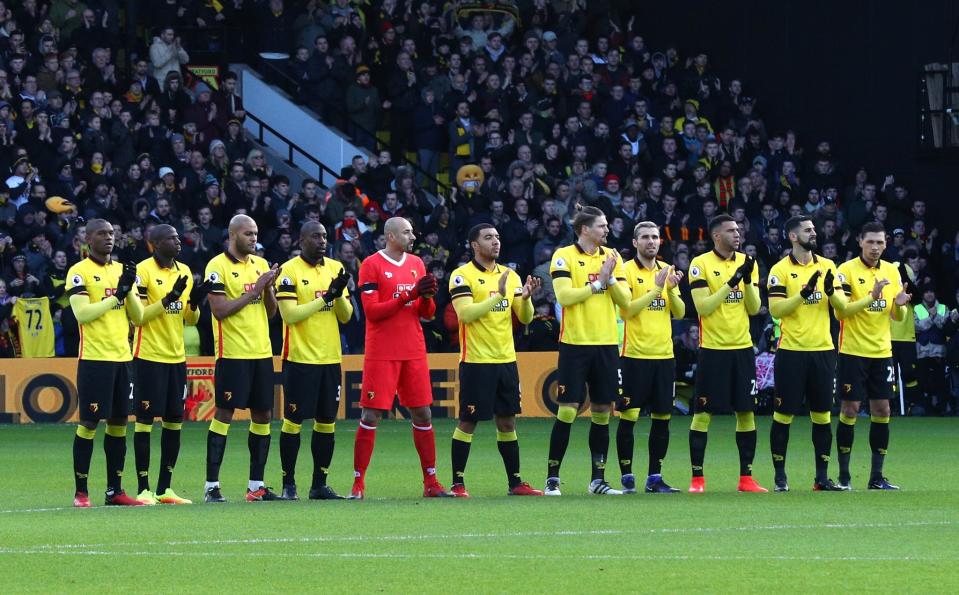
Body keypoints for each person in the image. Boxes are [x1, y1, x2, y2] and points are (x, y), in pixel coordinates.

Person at [350, 217, 450, 499]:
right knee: (371, 414)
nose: (413, 235)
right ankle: (358, 483)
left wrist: (428, 296)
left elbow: (427, 313)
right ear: (391, 236)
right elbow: (373, 312)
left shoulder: (417, 263)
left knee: (423, 412)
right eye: (407, 231)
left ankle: (431, 482)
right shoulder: (372, 264)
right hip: (382, 351)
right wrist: (411, 294)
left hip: (413, 349)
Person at [447, 224, 544, 497]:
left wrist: (524, 299)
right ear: (474, 245)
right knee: (469, 421)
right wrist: (499, 297)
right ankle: (457, 483)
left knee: (507, 422)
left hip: (506, 360)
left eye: (498, 237)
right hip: (477, 361)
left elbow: (525, 317)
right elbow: (465, 315)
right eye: (488, 238)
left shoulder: (509, 275)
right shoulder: (461, 276)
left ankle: (515, 483)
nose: (496, 242)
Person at [545, 205, 631, 496]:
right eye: (602, 226)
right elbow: (564, 297)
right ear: (584, 230)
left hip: (606, 344)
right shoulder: (563, 256)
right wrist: (598, 284)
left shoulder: (612, 257)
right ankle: (553, 479)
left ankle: (598, 480)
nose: (607, 230)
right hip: (575, 344)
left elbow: (626, 301)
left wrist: (610, 278)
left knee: (603, 410)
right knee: (568, 410)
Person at [203, 215, 280, 503]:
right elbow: (220, 310)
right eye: (248, 233)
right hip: (232, 353)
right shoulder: (217, 266)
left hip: (261, 352)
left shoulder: (260, 265)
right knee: (224, 413)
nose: (254, 238)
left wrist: (269, 289)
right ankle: (212, 486)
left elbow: (271, 313)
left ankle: (255, 487)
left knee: (263, 415)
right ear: (233, 234)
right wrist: (257, 289)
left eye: (256, 233)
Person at [68, 219, 145, 507]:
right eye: (102, 234)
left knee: (119, 422)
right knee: (89, 422)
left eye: (112, 233)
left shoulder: (122, 271)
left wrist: (129, 290)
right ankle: (81, 492)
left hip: (123, 359)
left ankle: (115, 491)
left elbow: (137, 318)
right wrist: (118, 298)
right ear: (88, 239)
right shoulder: (79, 272)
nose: (109, 238)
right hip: (94, 360)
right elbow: (83, 315)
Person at [766, 216, 847, 492]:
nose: (814, 233)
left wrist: (830, 293)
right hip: (791, 353)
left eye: (814, 229)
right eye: (807, 230)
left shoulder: (827, 266)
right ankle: (780, 477)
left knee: (823, 415)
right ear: (792, 236)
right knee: (783, 415)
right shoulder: (780, 269)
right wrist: (803, 294)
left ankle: (822, 478)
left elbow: (843, 309)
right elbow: (776, 311)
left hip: (823, 351)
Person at [686, 214, 766, 493]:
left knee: (746, 413)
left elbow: (754, 308)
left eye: (738, 230)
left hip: (742, 349)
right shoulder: (700, 264)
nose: (738, 234)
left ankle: (746, 478)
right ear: (716, 236)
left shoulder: (747, 263)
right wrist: (731, 283)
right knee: (703, 414)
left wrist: (745, 281)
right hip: (713, 351)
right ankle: (698, 479)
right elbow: (703, 308)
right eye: (731, 230)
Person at [130, 224, 207, 505]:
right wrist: (169, 299)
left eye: (178, 238)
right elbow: (138, 317)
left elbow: (190, 319)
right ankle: (143, 487)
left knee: (174, 420)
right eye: (172, 239)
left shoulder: (184, 271)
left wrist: (196, 303)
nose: (178, 242)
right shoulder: (142, 271)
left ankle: (165, 489)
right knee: (145, 421)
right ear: (156, 243)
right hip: (149, 356)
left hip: (177, 357)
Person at [275, 221, 352, 500]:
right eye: (315, 236)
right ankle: (289, 484)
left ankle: (319, 484)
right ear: (301, 239)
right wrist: (327, 297)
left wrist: (339, 294)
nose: (322, 240)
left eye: (324, 235)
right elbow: (290, 316)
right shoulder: (288, 271)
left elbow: (346, 316)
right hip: (300, 359)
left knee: (326, 422)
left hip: (330, 359)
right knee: (293, 421)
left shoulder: (334, 268)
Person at [835, 222, 911, 490]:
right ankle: (844, 476)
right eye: (871, 242)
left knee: (883, 409)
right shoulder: (845, 271)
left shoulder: (892, 270)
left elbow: (896, 315)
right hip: (853, 352)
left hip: (882, 352)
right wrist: (872, 295)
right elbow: (841, 312)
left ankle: (876, 477)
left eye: (880, 242)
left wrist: (900, 305)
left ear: (886, 243)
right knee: (850, 409)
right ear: (860, 242)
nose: (875, 247)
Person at [615, 221, 685, 494]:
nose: (651, 242)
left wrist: (669, 288)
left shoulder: (667, 270)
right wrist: (656, 290)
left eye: (655, 237)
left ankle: (655, 477)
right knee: (629, 416)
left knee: (662, 418)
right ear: (635, 243)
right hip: (635, 356)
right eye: (645, 237)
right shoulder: (626, 271)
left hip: (664, 357)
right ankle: (627, 475)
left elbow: (679, 312)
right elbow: (627, 311)